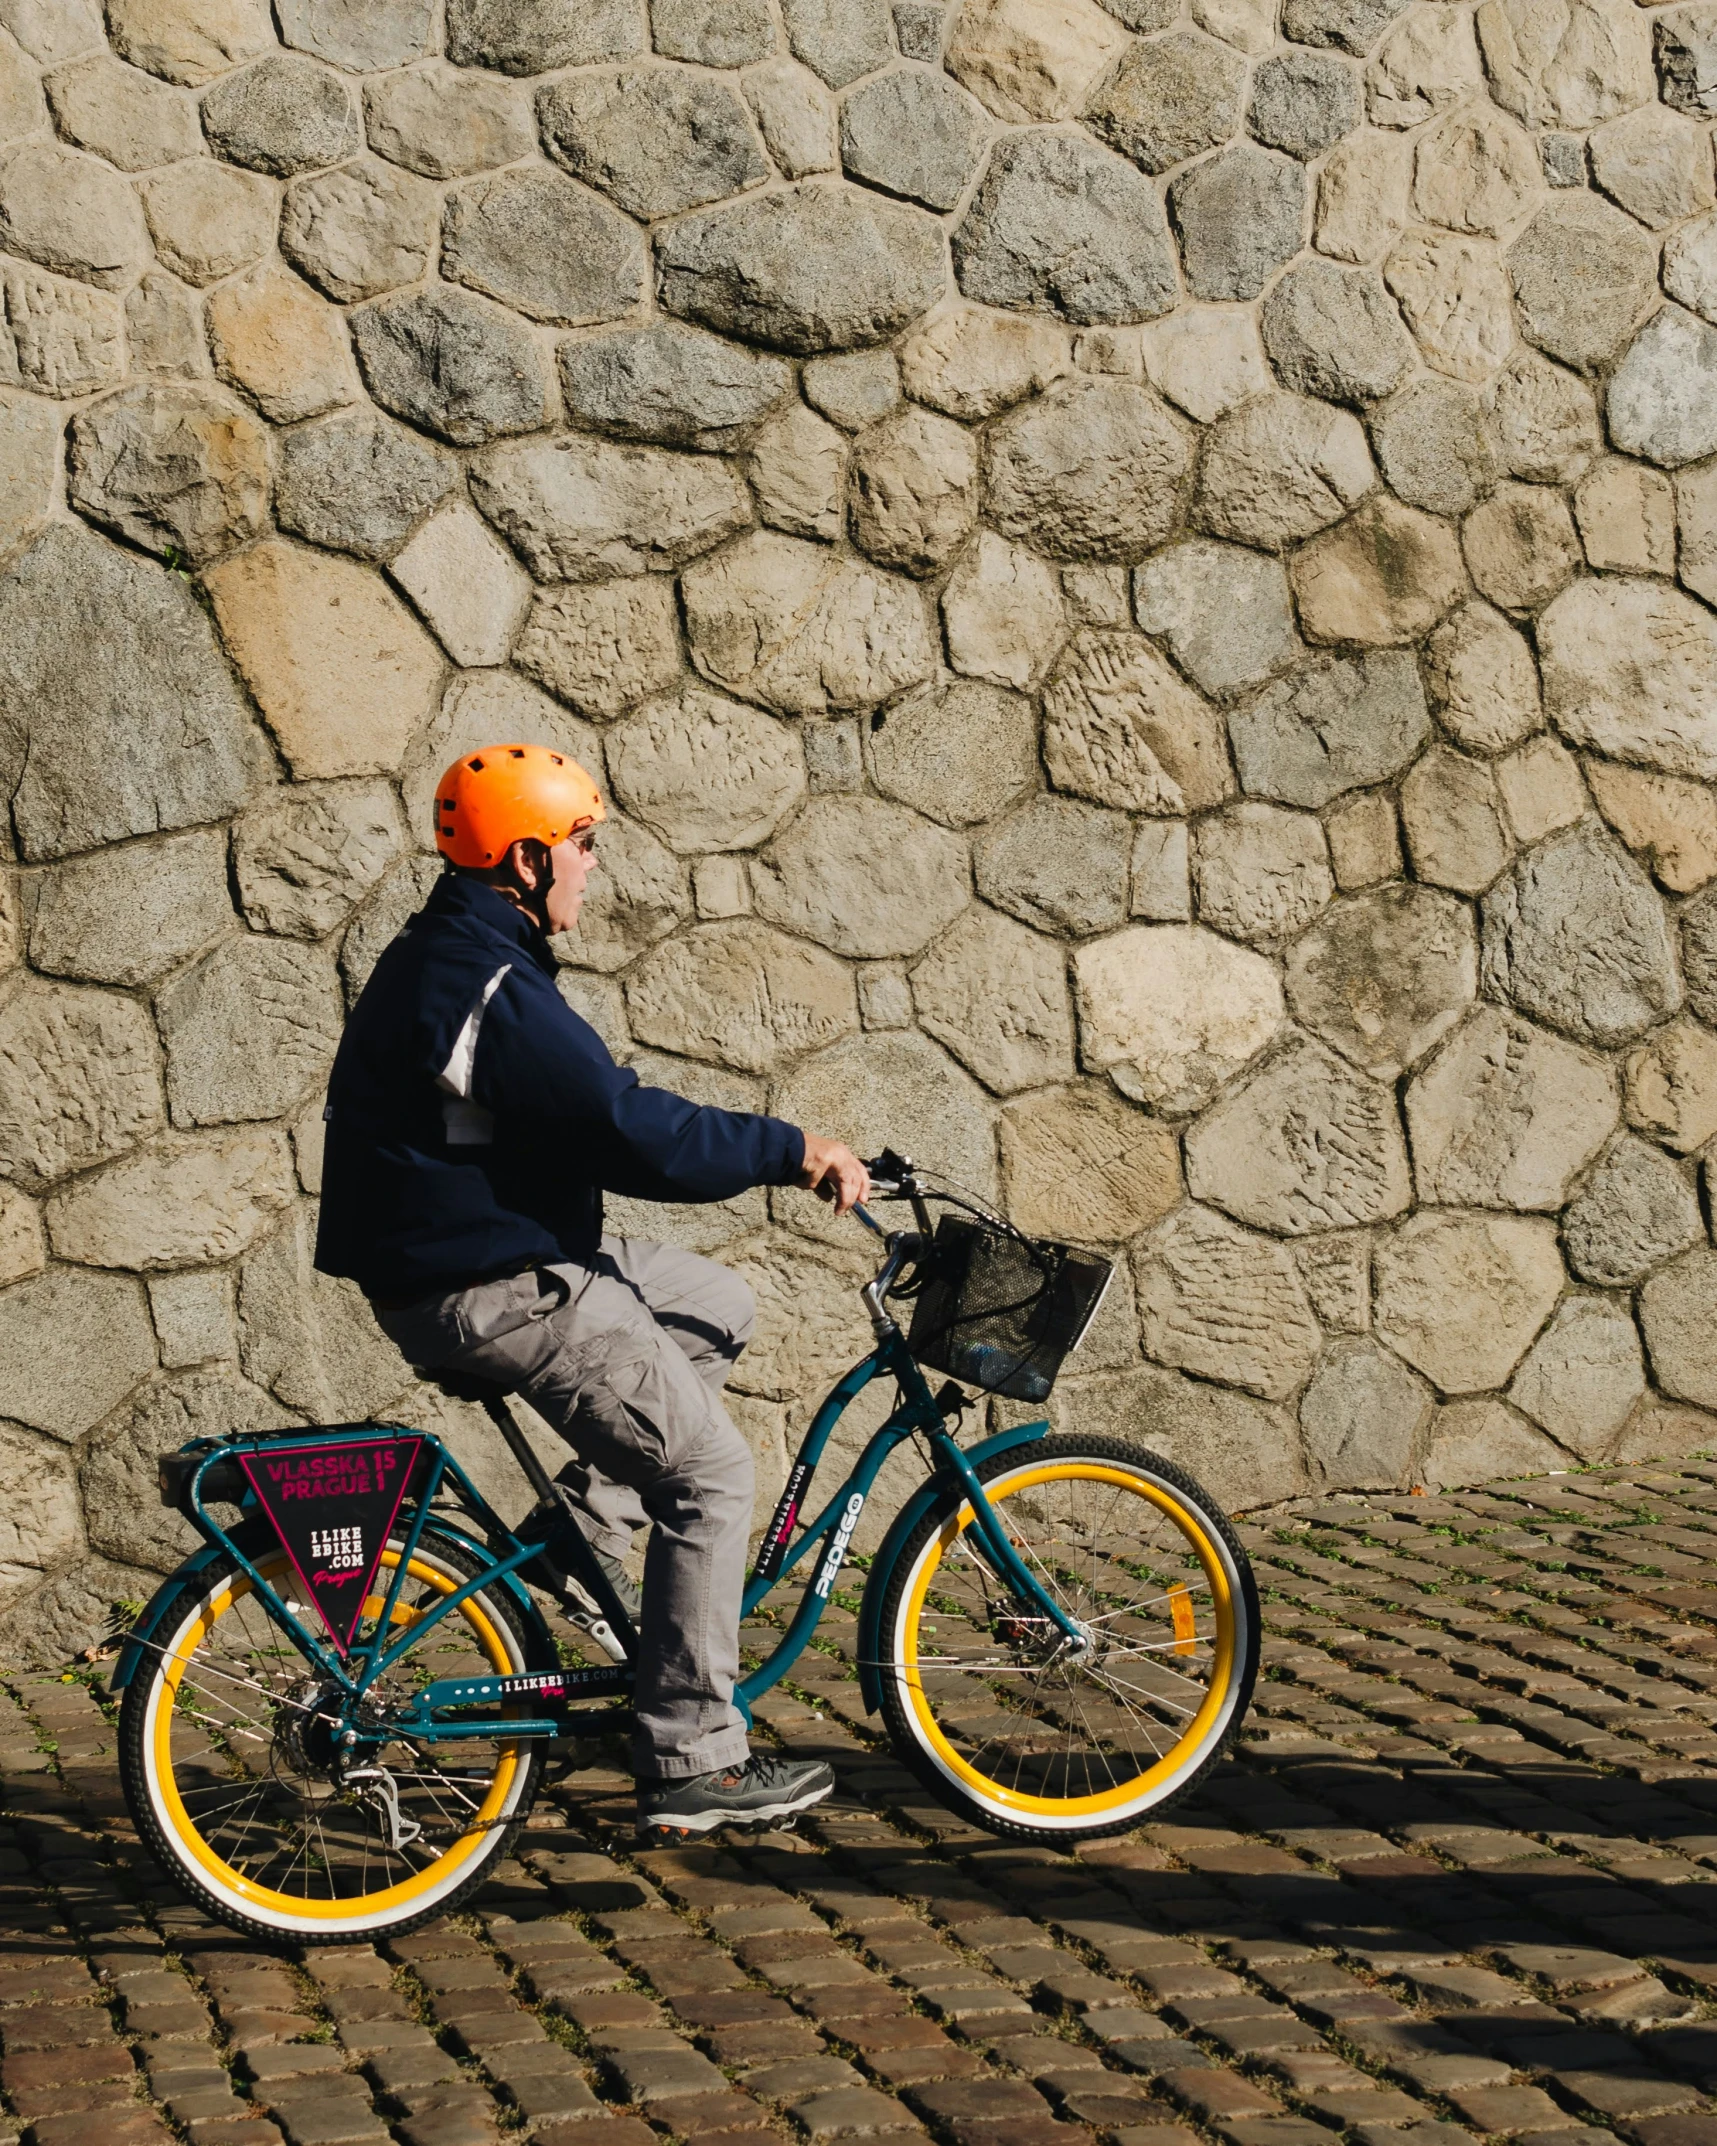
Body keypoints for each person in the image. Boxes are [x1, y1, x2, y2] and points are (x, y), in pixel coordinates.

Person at [314, 742, 871, 1836]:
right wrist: (787, 1147)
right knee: (711, 1471)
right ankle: (692, 1758)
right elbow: (624, 1127)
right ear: (524, 858)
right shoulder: (481, 981)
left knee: (717, 1304)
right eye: (582, 845)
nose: (592, 867)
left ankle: (578, 1546)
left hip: (488, 1257)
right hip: (491, 1282)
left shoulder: (464, 953)